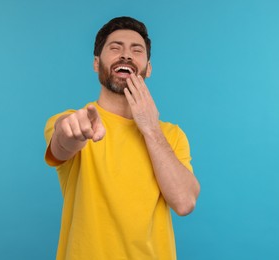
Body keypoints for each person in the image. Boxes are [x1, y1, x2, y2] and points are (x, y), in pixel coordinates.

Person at [44, 16, 200, 260]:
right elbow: (63, 141)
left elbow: (184, 202)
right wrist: (71, 131)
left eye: (136, 50)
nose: (126, 55)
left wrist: (150, 128)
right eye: (115, 48)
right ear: (97, 63)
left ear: (148, 68)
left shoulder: (171, 135)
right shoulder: (75, 121)